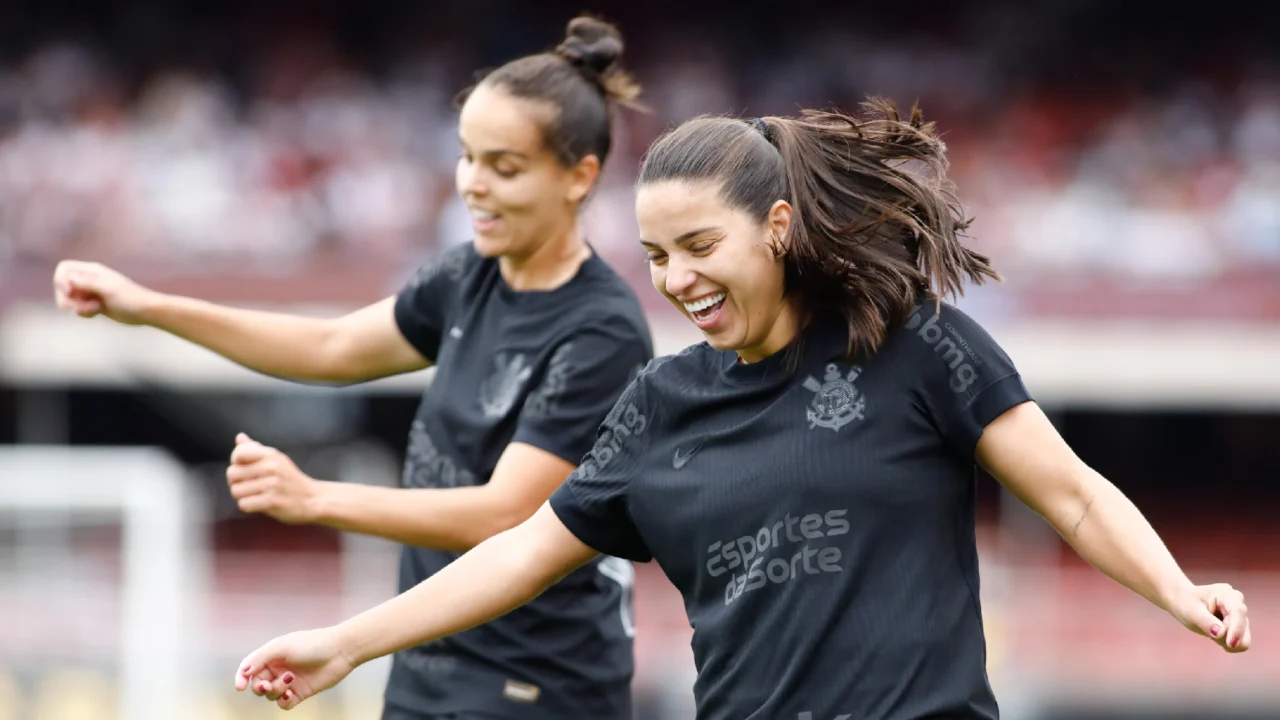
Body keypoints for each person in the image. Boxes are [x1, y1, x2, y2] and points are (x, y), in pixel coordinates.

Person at [230, 100, 1252, 719]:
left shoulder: (910, 346)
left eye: (699, 248)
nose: (676, 279)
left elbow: (1068, 497)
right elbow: (518, 552)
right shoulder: (657, 404)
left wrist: (1174, 590)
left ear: (773, 227)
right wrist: (351, 639)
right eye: (659, 256)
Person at [53, 15, 653, 720]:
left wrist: (316, 499)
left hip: (538, 685)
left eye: (506, 167)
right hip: (427, 668)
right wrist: (148, 306)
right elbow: (330, 349)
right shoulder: (466, 276)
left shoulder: (602, 331)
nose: (474, 186)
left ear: (580, 177)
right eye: (467, 157)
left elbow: (508, 515)